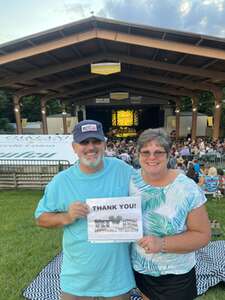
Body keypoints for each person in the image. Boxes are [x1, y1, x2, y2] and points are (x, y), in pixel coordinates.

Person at [35, 120, 136, 300]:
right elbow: (41, 218)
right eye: (84, 142)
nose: (91, 147)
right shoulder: (61, 181)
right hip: (77, 279)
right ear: (74, 147)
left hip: (117, 277)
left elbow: (148, 195)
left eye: (96, 141)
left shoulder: (123, 170)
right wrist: (66, 217)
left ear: (104, 144)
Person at [129, 128, 211, 300]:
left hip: (177, 275)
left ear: (168, 155)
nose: (152, 157)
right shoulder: (130, 182)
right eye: (146, 152)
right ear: (138, 154)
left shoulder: (187, 188)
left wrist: (162, 243)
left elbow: (203, 235)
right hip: (140, 270)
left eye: (158, 152)